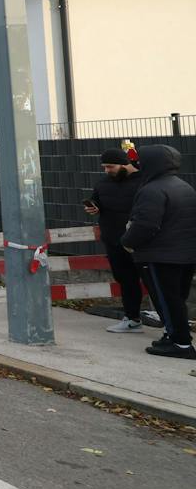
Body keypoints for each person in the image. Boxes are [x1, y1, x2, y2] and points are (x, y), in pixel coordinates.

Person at [119, 145, 196, 361]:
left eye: (140, 161)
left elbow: (145, 225)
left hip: (160, 255)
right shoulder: (183, 186)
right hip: (184, 254)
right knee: (176, 299)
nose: (137, 165)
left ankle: (181, 344)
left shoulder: (151, 190)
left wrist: (126, 242)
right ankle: (172, 336)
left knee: (166, 300)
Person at [86, 147, 150, 332]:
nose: (107, 171)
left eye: (111, 166)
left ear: (125, 164)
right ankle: (132, 318)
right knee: (126, 281)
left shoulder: (145, 182)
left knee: (153, 283)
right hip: (114, 240)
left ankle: (170, 325)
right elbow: (95, 200)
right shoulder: (103, 183)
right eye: (105, 167)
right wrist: (94, 207)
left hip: (141, 242)